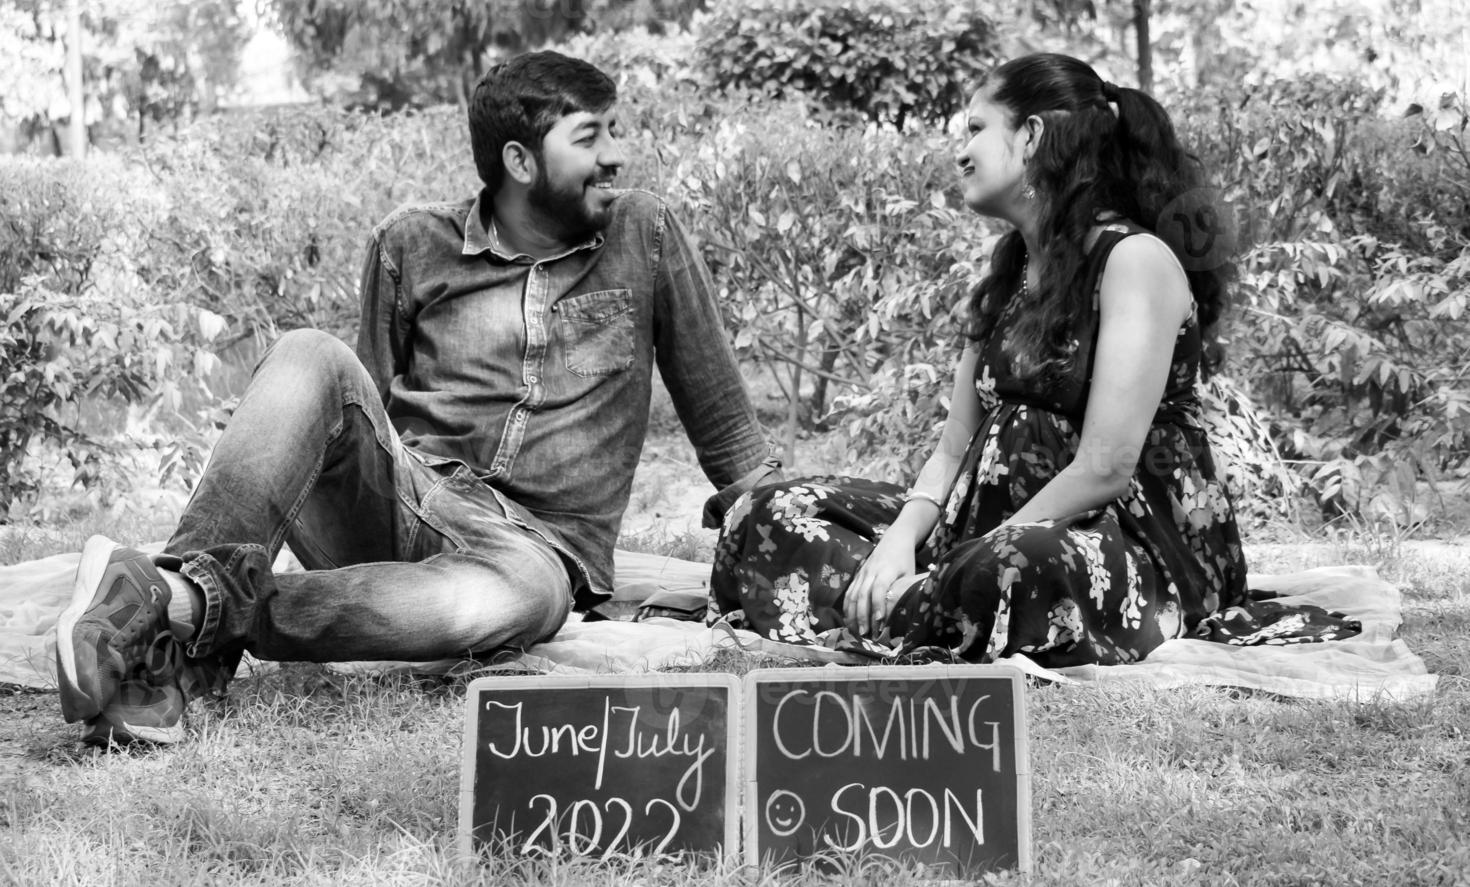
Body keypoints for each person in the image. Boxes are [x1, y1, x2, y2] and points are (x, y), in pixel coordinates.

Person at [55, 51, 779, 747]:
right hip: (409, 498)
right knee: (311, 353)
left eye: (614, 131)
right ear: (520, 162)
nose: (618, 156)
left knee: (525, 598)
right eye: (592, 137)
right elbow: (348, 415)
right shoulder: (411, 243)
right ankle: (169, 630)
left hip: (535, 551)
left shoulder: (642, 232)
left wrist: (796, 539)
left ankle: (168, 611)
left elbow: (726, 430)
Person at [707, 53, 1358, 667]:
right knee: (773, 509)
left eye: (976, 128)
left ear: (1033, 136)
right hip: (974, 533)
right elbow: (952, 445)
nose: (959, 151)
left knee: (1014, 565)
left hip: (1117, 541)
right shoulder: (1012, 270)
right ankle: (915, 600)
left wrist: (974, 555)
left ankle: (911, 604)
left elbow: (1105, 467)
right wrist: (900, 541)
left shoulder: (1133, 261)